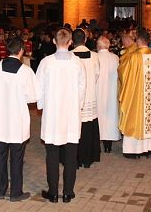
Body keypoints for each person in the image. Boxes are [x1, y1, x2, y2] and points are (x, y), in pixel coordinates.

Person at [35, 28, 86, 203]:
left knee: (52, 154)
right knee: (71, 155)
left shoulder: (46, 63)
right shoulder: (77, 63)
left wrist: (42, 107)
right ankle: (68, 192)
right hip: (71, 115)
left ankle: (53, 192)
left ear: (54, 42)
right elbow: (82, 89)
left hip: (53, 115)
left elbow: (38, 89)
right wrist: (77, 107)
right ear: (70, 42)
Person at [0, 37, 36, 202]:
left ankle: (0, 190)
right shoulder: (26, 71)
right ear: (21, 51)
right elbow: (33, 97)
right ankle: (15, 193)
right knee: (16, 157)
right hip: (17, 121)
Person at [118, 29, 151, 158]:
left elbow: (123, 73)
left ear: (138, 40)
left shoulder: (133, 57)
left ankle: (134, 150)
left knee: (135, 118)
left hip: (137, 97)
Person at [71, 28, 101, 168]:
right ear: (85, 39)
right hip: (90, 97)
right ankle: (88, 158)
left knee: (75, 129)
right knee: (88, 128)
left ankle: (74, 160)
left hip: (75, 99)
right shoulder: (95, 56)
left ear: (72, 41)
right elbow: (96, 75)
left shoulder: (69, 56)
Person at [96, 36, 120, 153]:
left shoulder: (94, 57)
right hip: (111, 91)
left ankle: (96, 142)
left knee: (98, 116)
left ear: (98, 46)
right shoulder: (115, 58)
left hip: (97, 92)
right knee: (110, 116)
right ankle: (108, 145)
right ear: (108, 45)